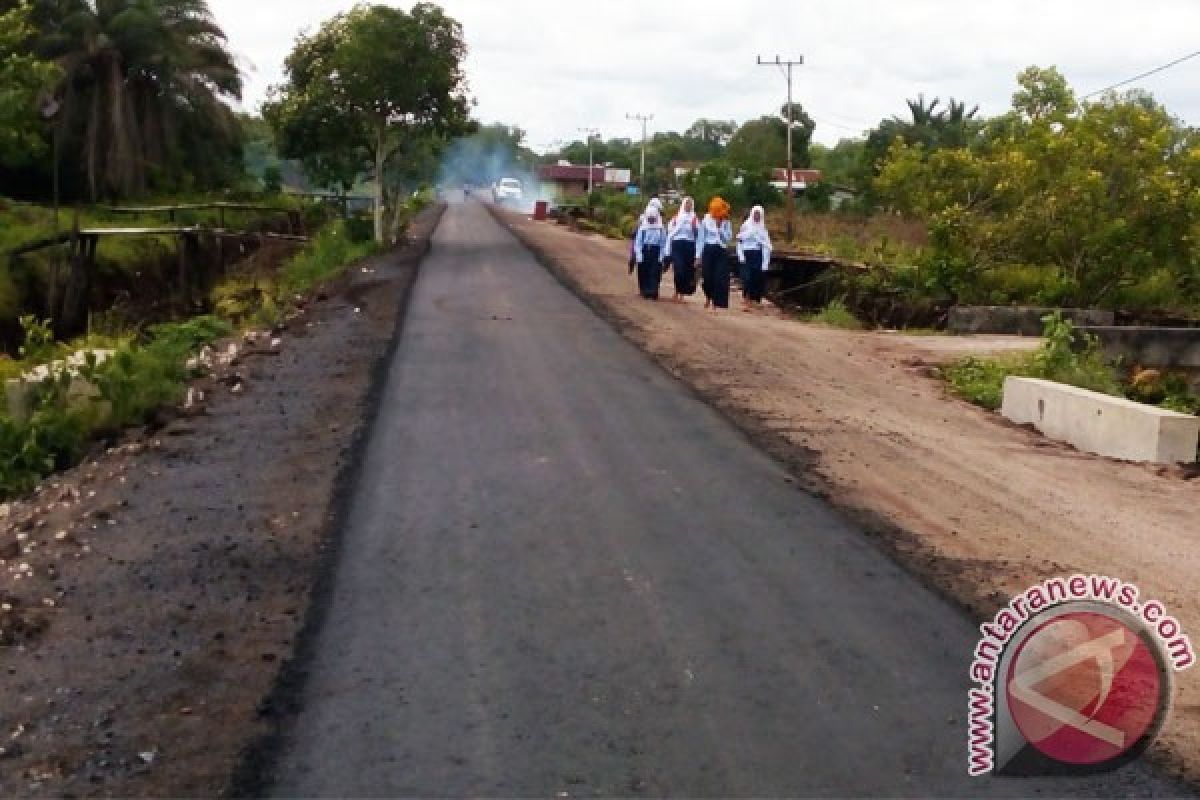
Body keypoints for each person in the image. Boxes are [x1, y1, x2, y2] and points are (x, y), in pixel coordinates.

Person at [695, 197, 733, 310]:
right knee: (707, 277)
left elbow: (728, 238)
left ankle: (717, 303)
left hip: (721, 250)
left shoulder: (726, 222)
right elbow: (701, 239)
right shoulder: (706, 220)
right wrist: (698, 256)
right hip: (708, 250)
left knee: (720, 277)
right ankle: (708, 296)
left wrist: (720, 228)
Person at [736, 204, 773, 311]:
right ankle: (746, 301)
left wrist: (765, 262)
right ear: (752, 214)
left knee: (756, 278)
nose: (756, 216)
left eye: (759, 214)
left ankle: (753, 300)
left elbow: (766, 245)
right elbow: (740, 241)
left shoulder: (762, 228)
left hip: (757, 255)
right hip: (746, 254)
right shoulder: (746, 226)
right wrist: (741, 255)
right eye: (755, 214)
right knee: (747, 278)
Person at [665, 196, 699, 302]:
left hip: (689, 245)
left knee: (687, 270)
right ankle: (677, 290)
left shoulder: (694, 218)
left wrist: (694, 228)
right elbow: (670, 230)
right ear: (683, 204)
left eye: (690, 204)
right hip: (677, 244)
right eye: (686, 203)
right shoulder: (677, 217)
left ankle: (682, 294)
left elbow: (699, 234)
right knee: (678, 269)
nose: (688, 206)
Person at [633, 208, 667, 299]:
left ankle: (653, 291)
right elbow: (638, 242)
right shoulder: (643, 228)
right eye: (649, 218)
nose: (651, 219)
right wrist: (639, 255)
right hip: (645, 251)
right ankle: (645, 290)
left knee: (655, 272)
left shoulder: (661, 228)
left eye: (652, 218)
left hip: (656, 251)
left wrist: (661, 256)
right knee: (644, 271)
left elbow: (663, 243)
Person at [629, 196, 663, 272]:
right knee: (634, 246)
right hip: (642, 237)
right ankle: (632, 259)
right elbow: (637, 225)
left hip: (654, 244)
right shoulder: (644, 215)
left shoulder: (659, 218)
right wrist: (635, 231)